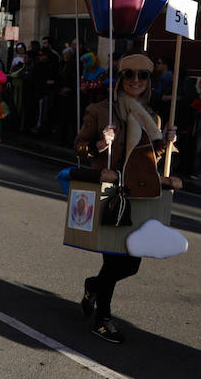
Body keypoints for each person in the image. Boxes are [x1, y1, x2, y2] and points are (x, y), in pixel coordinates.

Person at [73, 53, 177, 343]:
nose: (135, 81)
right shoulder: (100, 110)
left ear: (148, 81)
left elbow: (150, 159)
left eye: (142, 76)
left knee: (131, 264)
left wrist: (165, 142)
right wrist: (99, 142)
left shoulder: (152, 117)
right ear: (119, 78)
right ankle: (102, 320)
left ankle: (93, 286)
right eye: (129, 74)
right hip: (111, 194)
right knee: (114, 259)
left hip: (140, 194)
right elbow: (79, 147)